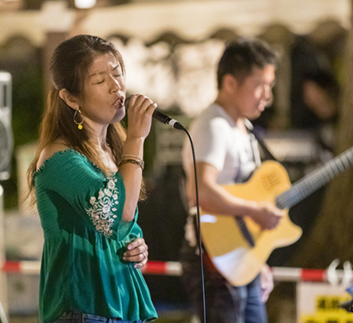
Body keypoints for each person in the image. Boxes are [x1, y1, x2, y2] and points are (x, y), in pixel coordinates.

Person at [27, 34, 158, 323]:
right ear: (70, 97)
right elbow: (115, 211)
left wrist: (137, 247)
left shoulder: (114, 152)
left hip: (120, 305)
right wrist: (137, 136)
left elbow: (123, 224)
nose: (116, 86)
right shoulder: (59, 157)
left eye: (117, 73)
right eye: (100, 80)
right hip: (83, 309)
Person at [180, 38, 285, 323]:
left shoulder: (243, 129)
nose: (267, 96)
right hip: (213, 259)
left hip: (240, 258)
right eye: (259, 85)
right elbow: (200, 191)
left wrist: (257, 260)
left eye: (270, 85)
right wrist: (255, 212)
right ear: (230, 84)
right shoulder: (214, 126)